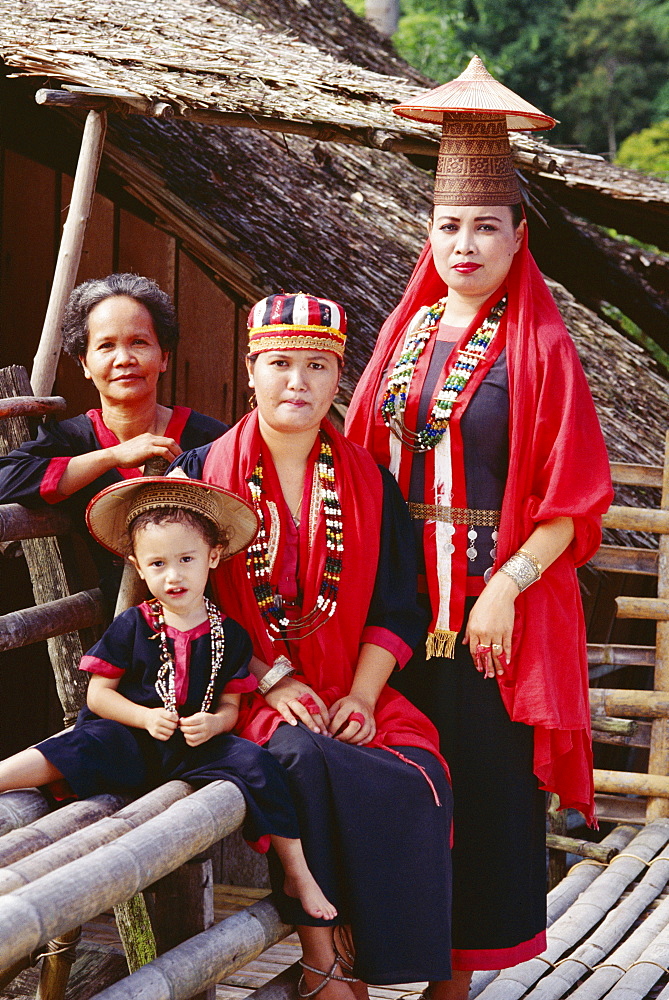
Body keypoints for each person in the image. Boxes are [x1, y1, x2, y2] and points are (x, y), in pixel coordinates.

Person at [345, 56, 614, 998]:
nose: (464, 243)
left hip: (494, 614)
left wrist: (505, 586)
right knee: (403, 781)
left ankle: (455, 982)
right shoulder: (404, 334)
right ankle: (379, 956)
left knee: (489, 791)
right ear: (429, 231)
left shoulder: (540, 347)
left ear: (515, 235)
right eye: (449, 225)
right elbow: (359, 462)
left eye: (484, 226)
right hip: (398, 606)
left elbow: (576, 495)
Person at [171, 292, 453, 998]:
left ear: (338, 379)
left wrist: (361, 694)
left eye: (317, 366)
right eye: (280, 364)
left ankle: (366, 945)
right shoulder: (199, 476)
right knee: (297, 758)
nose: (297, 382)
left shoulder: (369, 482)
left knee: (417, 770)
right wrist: (268, 677)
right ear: (250, 371)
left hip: (349, 685)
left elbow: (397, 604)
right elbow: (179, 608)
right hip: (238, 689)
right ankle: (323, 959)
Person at [0, 476, 336, 920]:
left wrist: (214, 724)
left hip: (192, 747)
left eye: (186, 559)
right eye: (157, 563)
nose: (173, 575)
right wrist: (143, 717)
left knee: (260, 765)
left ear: (212, 557)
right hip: (133, 737)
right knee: (78, 744)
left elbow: (232, 707)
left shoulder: (228, 636)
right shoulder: (133, 625)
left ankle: (298, 873)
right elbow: (99, 696)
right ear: (138, 567)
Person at [0, 273, 225, 602]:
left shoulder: (210, 438)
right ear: (85, 364)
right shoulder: (73, 439)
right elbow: (4, 478)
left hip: (218, 624)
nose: (124, 359)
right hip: (125, 627)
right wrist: (113, 456)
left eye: (139, 342)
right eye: (106, 346)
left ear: (163, 356)